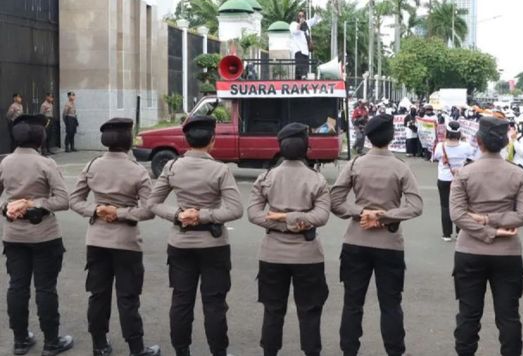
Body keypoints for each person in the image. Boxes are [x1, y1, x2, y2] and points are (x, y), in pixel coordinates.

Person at [147, 115, 244, 356]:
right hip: (213, 244)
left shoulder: (171, 167)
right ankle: (218, 352)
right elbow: (235, 209)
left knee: (181, 300)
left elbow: (153, 203)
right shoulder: (220, 170)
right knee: (214, 303)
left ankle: (182, 351)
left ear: (186, 140)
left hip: (180, 242)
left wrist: (179, 215)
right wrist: (204, 215)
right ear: (212, 140)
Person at [330, 114, 423, 356]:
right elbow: (415, 206)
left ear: (368, 138)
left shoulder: (355, 164)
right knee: (391, 304)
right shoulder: (401, 168)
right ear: (392, 137)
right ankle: (395, 352)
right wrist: (384, 216)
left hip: (355, 241)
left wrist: (362, 212)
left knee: (352, 303)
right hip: (389, 243)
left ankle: (348, 351)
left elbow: (335, 201)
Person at [69, 118, 160, 356]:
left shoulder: (92, 166)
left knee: (98, 294)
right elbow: (150, 210)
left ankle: (99, 345)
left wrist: (97, 210)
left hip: (96, 240)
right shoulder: (137, 171)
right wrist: (120, 212)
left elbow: (74, 201)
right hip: (126, 243)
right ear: (129, 140)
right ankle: (137, 349)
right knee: (128, 297)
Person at [449, 116, 523, 356]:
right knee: (508, 316)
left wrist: (486, 222)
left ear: (478, 142)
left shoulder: (464, 173)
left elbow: (457, 214)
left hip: (469, 250)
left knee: (468, 314)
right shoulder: (518, 174)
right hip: (507, 251)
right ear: (506, 143)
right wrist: (496, 226)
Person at [247, 123, 331, 356]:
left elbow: (254, 214)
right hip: (308, 253)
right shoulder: (317, 180)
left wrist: (283, 218)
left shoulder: (266, 178)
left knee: (273, 310)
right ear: (306, 148)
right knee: (310, 310)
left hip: (272, 252)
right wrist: (298, 220)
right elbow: (321, 216)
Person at [0, 114, 73, 356]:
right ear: (40, 138)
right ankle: (52, 342)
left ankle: (20, 340)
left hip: (13, 235)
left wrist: (7, 207)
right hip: (45, 235)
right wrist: (36, 203)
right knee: (45, 288)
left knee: (17, 287)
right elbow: (63, 200)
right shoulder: (46, 164)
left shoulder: (5, 162)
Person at [433, 121, 475, 241]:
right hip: (460, 178)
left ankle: (446, 234)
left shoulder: (441, 146)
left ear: (447, 132)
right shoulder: (465, 146)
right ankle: (459, 232)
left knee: (445, 206)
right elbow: (472, 157)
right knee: (461, 205)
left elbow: (436, 157)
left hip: (444, 178)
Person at [290, 9, 321, 80]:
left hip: (305, 51)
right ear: (297, 17)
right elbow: (296, 31)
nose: (301, 17)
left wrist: (317, 11)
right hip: (298, 50)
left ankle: (302, 80)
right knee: (300, 70)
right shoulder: (293, 24)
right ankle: (298, 81)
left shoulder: (307, 23)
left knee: (305, 69)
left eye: (303, 16)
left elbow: (315, 20)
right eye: (299, 16)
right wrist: (300, 23)